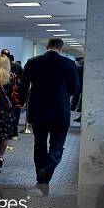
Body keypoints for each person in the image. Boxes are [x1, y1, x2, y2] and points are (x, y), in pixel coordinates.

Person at [19, 38, 79, 192]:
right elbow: (75, 88)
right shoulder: (69, 64)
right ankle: (47, 169)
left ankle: (42, 179)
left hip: (38, 109)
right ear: (61, 47)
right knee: (57, 146)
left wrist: (21, 101)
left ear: (47, 46)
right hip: (60, 110)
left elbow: (24, 85)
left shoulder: (33, 62)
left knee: (39, 144)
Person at [71, 56, 84, 122]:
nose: (82, 62)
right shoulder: (77, 68)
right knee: (76, 96)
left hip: (82, 84)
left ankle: (77, 107)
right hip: (78, 84)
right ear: (78, 61)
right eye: (81, 61)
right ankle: (74, 107)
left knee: (80, 97)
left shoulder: (81, 68)